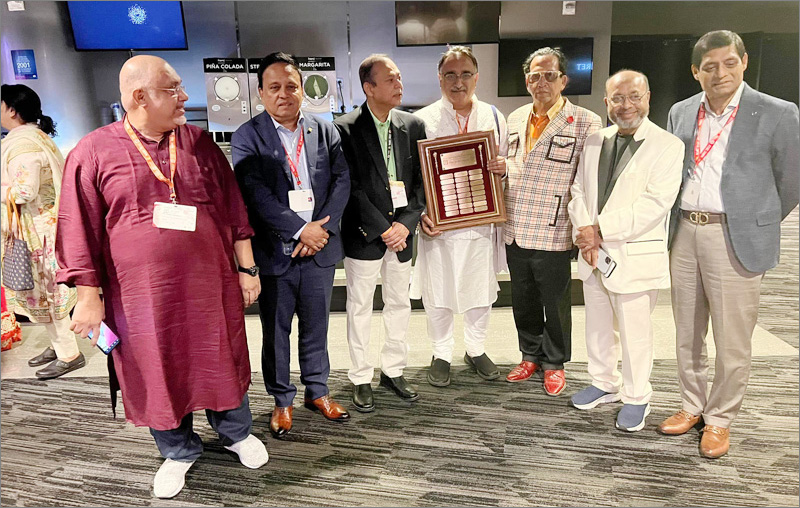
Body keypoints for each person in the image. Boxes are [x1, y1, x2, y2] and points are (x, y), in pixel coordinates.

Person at [55, 56, 268, 499]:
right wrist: (88, 296)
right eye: (173, 89)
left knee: (221, 356)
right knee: (155, 365)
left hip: (210, 287)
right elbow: (77, 229)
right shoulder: (92, 152)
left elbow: (233, 210)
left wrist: (247, 269)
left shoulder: (199, 143)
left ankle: (235, 432)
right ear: (140, 97)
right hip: (140, 297)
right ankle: (177, 449)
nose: (184, 97)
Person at [659, 30, 799, 458]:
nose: (720, 73)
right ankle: (691, 405)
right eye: (710, 67)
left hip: (734, 234)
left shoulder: (777, 112)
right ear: (695, 72)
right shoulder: (682, 112)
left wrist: (754, 221)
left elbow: (791, 182)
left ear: (744, 62)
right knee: (687, 330)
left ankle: (719, 417)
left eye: (729, 63)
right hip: (685, 230)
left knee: (732, 337)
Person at [232, 52, 351, 439]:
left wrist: (320, 233)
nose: (283, 94)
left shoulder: (325, 130)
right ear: (261, 93)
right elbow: (255, 194)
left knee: (317, 327)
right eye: (274, 87)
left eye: (291, 86)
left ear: (302, 90)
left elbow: (341, 182)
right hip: (275, 252)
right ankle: (282, 399)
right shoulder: (247, 136)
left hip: (319, 251)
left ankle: (318, 391)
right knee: (276, 332)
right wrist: (301, 231)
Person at [567, 70, 684, 431]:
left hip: (633, 254)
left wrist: (598, 230)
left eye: (634, 96)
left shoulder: (667, 145)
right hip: (593, 254)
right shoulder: (594, 141)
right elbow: (578, 191)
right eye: (617, 98)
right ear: (607, 102)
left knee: (635, 332)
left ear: (648, 98)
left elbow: (655, 204)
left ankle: (637, 396)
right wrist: (585, 231)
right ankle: (604, 382)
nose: (626, 105)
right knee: (598, 325)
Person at [490, 47, 602, 395]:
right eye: (535, 76)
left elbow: (589, 180)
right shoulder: (514, 118)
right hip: (515, 224)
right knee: (522, 298)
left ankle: (554, 362)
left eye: (549, 75)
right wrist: (501, 170)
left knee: (554, 301)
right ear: (527, 81)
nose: (542, 82)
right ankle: (530, 354)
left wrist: (588, 225)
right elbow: (510, 163)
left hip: (554, 226)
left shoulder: (586, 121)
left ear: (563, 80)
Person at [334, 54, 427, 412]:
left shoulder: (413, 125)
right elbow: (350, 187)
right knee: (359, 306)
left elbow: (421, 182)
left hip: (402, 234)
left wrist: (406, 223)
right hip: (365, 233)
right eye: (390, 79)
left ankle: (393, 370)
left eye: (399, 77)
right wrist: (383, 228)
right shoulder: (345, 128)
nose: (398, 84)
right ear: (369, 88)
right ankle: (360, 376)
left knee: (399, 303)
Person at [411, 46, 509, 387]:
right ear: (440, 79)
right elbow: (412, 176)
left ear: (476, 78)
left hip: (481, 222)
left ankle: (476, 348)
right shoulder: (421, 120)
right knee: (438, 289)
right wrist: (420, 214)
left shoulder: (494, 117)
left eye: (465, 74)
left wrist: (504, 168)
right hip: (439, 226)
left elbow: (504, 165)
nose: (458, 81)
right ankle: (440, 352)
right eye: (450, 74)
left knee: (479, 288)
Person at [0, 84, 83, 379]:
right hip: (46, 226)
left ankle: (69, 353)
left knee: (48, 292)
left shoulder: (23, 145)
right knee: (47, 292)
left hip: (38, 232)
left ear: (12, 110)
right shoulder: (36, 136)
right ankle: (59, 345)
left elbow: (24, 191)